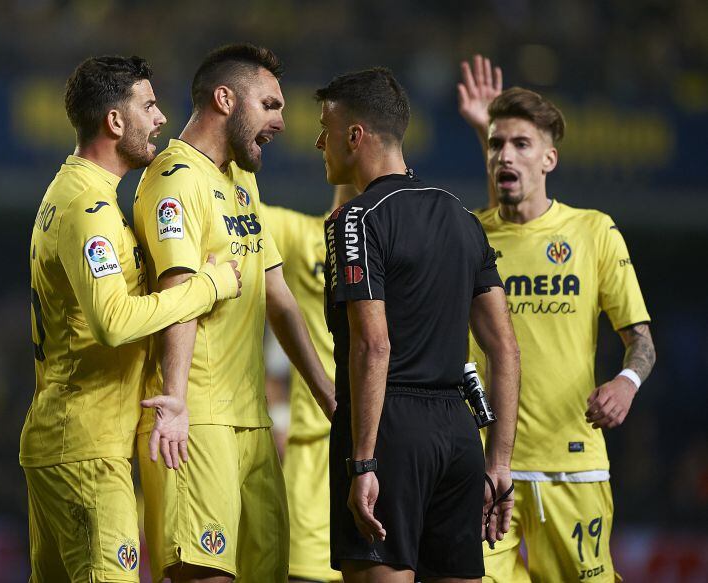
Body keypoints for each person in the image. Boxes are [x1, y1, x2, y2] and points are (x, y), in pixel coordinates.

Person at [20, 55, 241, 582]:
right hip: (87, 451)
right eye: (148, 104)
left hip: (64, 442)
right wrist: (210, 285)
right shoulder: (87, 208)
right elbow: (113, 322)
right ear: (114, 122)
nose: (160, 117)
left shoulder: (71, 193)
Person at [133, 44, 335, 583]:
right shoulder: (174, 180)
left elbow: (280, 297)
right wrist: (174, 400)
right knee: (206, 575)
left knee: (265, 572)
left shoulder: (241, 180)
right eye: (270, 105)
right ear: (225, 99)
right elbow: (178, 293)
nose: (282, 122)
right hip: (196, 419)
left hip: (252, 422)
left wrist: (328, 396)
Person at [316, 67, 521, 583]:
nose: (319, 141)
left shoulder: (356, 220)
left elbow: (374, 347)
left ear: (355, 136)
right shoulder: (461, 216)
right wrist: (498, 462)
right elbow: (505, 349)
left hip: (390, 433)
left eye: (326, 128)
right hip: (459, 435)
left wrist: (363, 463)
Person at [458, 56, 657, 582]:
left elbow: (642, 341)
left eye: (521, 145)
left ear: (550, 159)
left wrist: (626, 382)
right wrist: (492, 127)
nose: (506, 154)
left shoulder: (594, 233)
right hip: (486, 469)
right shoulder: (469, 236)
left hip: (573, 463)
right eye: (496, 144)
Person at [262, 183, 359, 583]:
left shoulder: (401, 241)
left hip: (392, 456)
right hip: (313, 456)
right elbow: (231, 198)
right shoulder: (301, 237)